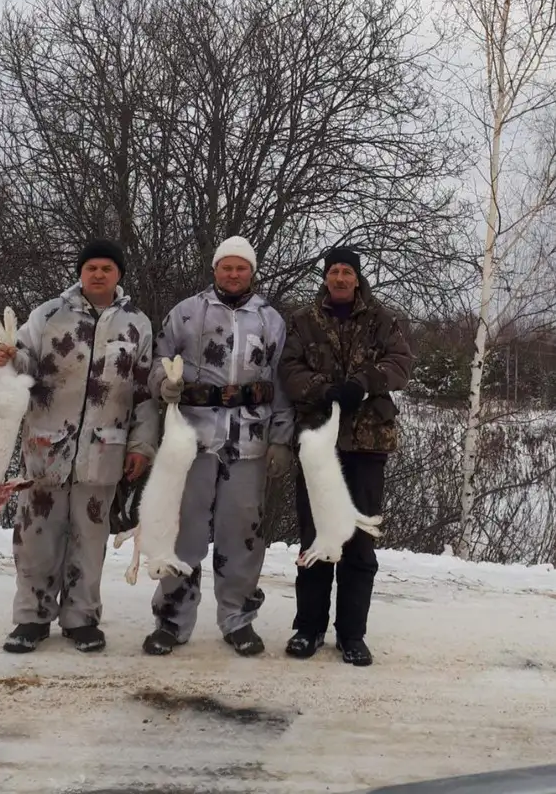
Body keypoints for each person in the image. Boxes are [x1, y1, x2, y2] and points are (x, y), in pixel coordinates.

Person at [0, 239, 159, 654]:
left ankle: (82, 619)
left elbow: (143, 392)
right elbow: (25, 365)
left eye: (107, 267)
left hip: (105, 450)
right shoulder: (49, 314)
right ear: (81, 273)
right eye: (92, 268)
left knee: (90, 538)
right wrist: (7, 358)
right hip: (46, 447)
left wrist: (141, 447)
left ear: (118, 274)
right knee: (36, 537)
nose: (99, 274)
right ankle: (31, 619)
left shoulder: (136, 323)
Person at [143, 236, 294, 658]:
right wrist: (165, 383)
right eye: (226, 267)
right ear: (215, 270)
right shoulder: (188, 312)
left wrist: (281, 438)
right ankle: (172, 619)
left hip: (248, 441)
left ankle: (237, 619)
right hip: (192, 440)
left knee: (242, 534)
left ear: (252, 271)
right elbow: (157, 360)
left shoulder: (270, 320)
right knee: (184, 531)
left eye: (241, 267)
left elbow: (283, 384)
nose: (233, 273)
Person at [279, 247, 413, 667]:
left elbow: (401, 363)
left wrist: (362, 382)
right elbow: (288, 368)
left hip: (367, 443)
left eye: (347, 272)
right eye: (334, 271)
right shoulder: (302, 320)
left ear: (357, 278)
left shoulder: (383, 320)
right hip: (318, 445)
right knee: (316, 538)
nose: (340, 278)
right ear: (325, 277)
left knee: (358, 543)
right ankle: (308, 628)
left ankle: (352, 635)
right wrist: (322, 389)